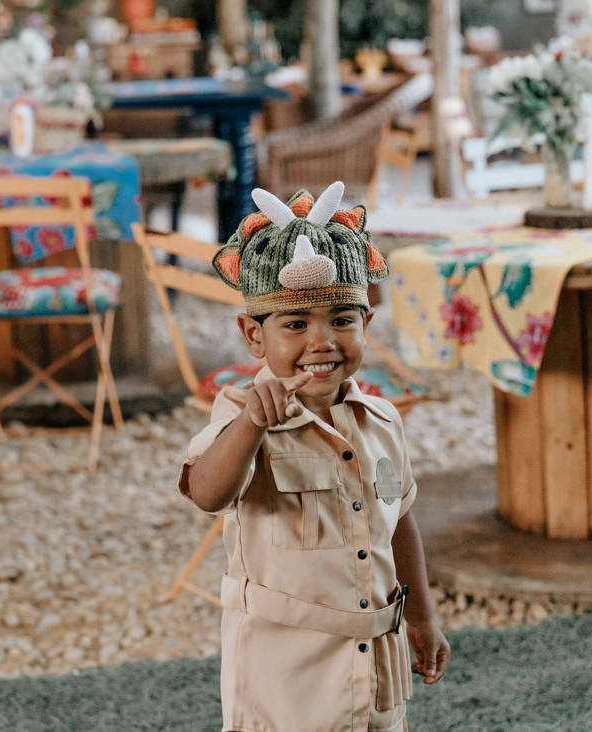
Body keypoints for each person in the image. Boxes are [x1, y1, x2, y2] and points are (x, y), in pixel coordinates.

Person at [178, 181, 450, 732]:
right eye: (296, 325)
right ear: (254, 336)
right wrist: (253, 425)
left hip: (375, 663)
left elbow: (399, 522)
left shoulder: (383, 421)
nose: (321, 341)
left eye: (342, 320)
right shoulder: (240, 417)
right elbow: (208, 493)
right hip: (284, 675)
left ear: (367, 326)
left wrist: (421, 616)